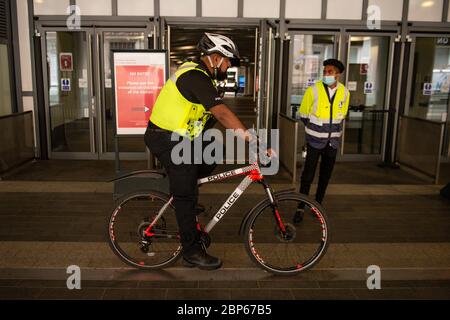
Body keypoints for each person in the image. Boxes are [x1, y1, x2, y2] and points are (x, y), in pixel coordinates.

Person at [144, 33, 260, 270]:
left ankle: (184, 185)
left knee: (215, 148)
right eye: (228, 61)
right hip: (165, 138)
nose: (229, 66)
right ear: (215, 58)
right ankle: (191, 252)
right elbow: (222, 114)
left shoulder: (204, 77)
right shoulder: (194, 76)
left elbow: (209, 119)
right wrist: (251, 139)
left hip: (182, 137)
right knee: (186, 197)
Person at [294, 59, 350, 223]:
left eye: (330, 72)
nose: (326, 74)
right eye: (325, 71)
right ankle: (300, 208)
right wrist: (315, 129)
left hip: (332, 142)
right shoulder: (313, 90)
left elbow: (342, 115)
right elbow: (303, 114)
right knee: (307, 176)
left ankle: (317, 205)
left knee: (325, 176)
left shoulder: (345, 93)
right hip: (314, 140)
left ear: (337, 74)